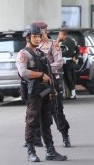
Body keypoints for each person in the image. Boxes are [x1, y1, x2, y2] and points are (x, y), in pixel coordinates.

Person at [16, 23, 67, 162]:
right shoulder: (23, 54)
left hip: (45, 91)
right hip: (33, 93)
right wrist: (40, 75)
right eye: (35, 36)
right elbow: (23, 72)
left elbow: (49, 72)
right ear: (28, 37)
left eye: (39, 36)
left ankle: (50, 151)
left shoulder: (41, 53)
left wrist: (52, 89)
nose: (38, 39)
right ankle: (31, 151)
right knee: (32, 121)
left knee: (46, 121)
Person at [34, 21, 72, 148]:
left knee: (56, 109)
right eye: (36, 33)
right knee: (36, 110)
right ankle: (37, 138)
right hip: (37, 82)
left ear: (45, 31)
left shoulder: (53, 44)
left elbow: (59, 62)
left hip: (51, 81)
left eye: (40, 32)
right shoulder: (32, 45)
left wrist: (44, 69)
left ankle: (65, 135)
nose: (38, 35)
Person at [58, 30, 78, 100]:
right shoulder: (73, 41)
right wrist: (75, 56)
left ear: (62, 34)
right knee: (72, 77)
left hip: (66, 61)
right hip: (72, 61)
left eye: (59, 35)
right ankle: (73, 92)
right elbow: (77, 50)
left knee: (67, 78)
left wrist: (57, 41)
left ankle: (73, 93)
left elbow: (60, 52)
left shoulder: (63, 43)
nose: (59, 36)